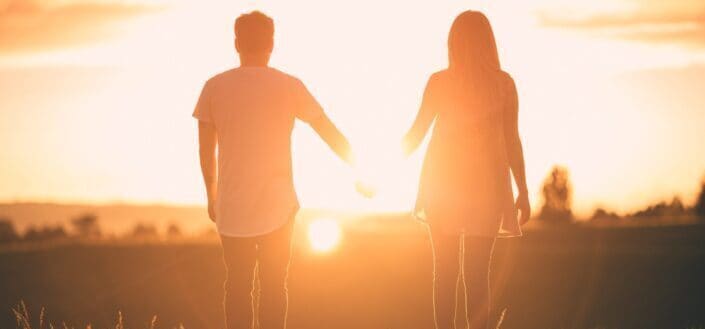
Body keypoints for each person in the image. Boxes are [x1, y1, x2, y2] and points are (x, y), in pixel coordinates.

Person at [193, 11, 354, 329]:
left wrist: (212, 195)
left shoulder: (213, 87)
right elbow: (327, 131)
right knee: (274, 289)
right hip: (279, 207)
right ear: (272, 43)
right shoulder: (289, 85)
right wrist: (360, 167)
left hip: (232, 206)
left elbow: (204, 150)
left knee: (237, 288)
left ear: (236, 43)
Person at [401, 11, 531, 329]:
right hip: (486, 189)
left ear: (453, 42)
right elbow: (512, 141)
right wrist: (523, 190)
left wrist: (375, 170)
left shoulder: (440, 82)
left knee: (444, 275)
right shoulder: (504, 84)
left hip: (441, 185)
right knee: (477, 277)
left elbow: (416, 133)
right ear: (489, 42)